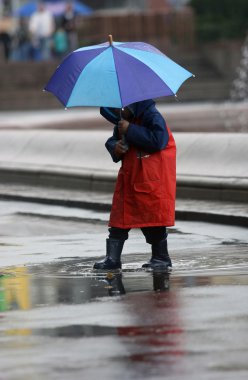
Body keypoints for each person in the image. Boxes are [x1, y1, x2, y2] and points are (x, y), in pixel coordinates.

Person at [93, 99, 176, 271]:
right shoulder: (124, 120)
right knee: (119, 220)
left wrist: (131, 130)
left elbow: (158, 140)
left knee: (153, 220)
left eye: (121, 110)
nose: (120, 115)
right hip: (129, 177)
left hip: (149, 178)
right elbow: (113, 140)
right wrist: (116, 147)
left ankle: (161, 257)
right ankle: (112, 258)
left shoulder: (152, 115)